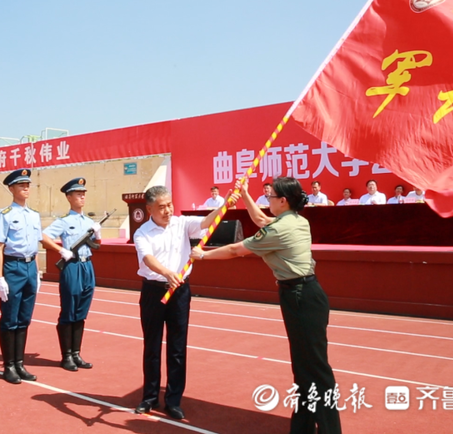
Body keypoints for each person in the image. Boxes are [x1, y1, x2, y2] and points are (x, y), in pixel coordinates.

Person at [191, 177, 342, 434]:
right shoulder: (296, 220)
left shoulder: (280, 230)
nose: (267, 200)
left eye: (270, 197)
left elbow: (236, 250)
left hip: (301, 297)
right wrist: (247, 194)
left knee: (316, 370)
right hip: (305, 295)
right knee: (304, 368)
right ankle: (303, 427)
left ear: (283, 201)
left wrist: (203, 255)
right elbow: (261, 220)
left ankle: (330, 429)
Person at [132, 185, 230, 421]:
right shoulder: (142, 232)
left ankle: (174, 400)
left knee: (177, 347)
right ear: (149, 209)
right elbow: (148, 258)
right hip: (154, 291)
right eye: (161, 207)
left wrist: (226, 201)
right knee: (152, 346)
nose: (167, 210)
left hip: (179, 292)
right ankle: (150, 396)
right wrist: (166, 273)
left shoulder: (182, 223)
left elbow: (207, 221)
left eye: (169, 205)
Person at [41, 177, 101, 372]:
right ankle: (66, 355)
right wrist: (60, 250)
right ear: (69, 197)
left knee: (81, 312)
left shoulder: (89, 221)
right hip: (72, 266)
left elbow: (97, 246)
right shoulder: (64, 222)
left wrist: (97, 234)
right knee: (69, 310)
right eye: (78, 193)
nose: (82, 196)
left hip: (87, 266)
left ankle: (76, 353)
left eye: (83, 193)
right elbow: (43, 236)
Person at [0, 169, 42, 385]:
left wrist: (38, 273)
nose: (25, 188)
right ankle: (8, 365)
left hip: (30, 267)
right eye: (21, 185)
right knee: (10, 319)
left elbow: (36, 247)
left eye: (27, 185)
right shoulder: (4, 215)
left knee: (24, 318)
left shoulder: (34, 215)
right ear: (11, 188)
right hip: (13, 267)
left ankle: (20, 363)